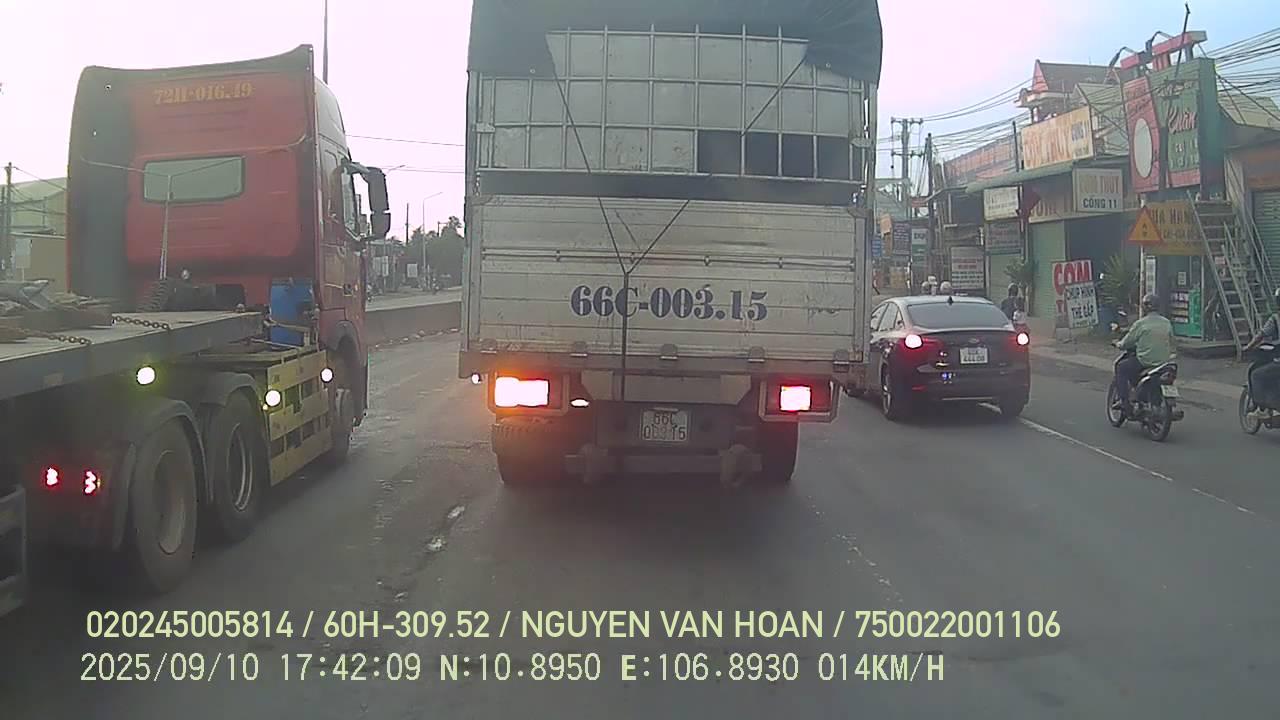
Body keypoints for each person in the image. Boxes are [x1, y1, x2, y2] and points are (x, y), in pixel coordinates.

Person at [1113, 293, 1173, 412]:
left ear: (1145, 307)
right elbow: (1172, 340)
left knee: (1121, 367)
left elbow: (1127, 342)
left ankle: (1124, 402)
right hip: (1164, 362)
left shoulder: (1141, 324)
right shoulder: (1166, 322)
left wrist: (1118, 344)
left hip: (1145, 361)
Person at [1242, 287, 1280, 414]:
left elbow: (1261, 335)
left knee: (1256, 375)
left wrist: (1248, 347)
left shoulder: (1275, 319)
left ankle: (1260, 405)